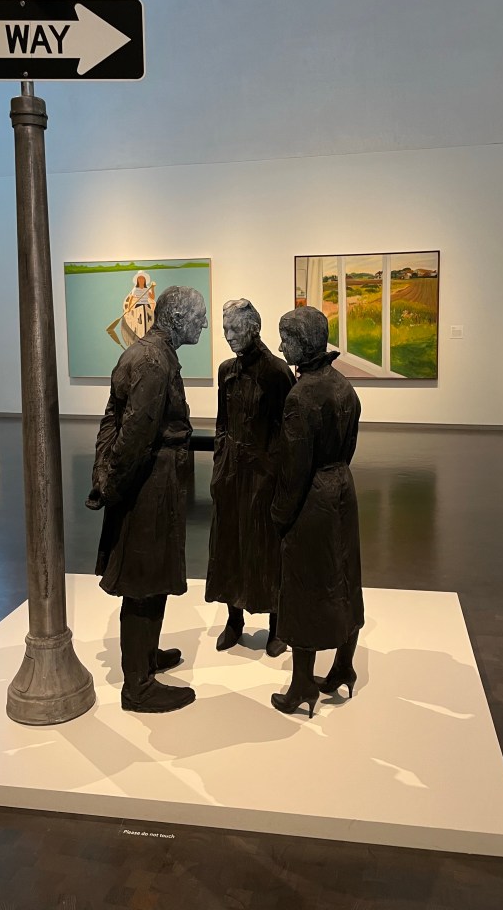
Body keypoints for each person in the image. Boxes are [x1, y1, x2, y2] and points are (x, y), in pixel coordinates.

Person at [87, 286, 208, 713]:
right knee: (143, 580)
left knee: (151, 574)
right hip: (148, 485)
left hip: (149, 481)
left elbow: (111, 419)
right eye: (198, 316)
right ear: (176, 318)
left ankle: (146, 657)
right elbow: (133, 436)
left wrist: (104, 476)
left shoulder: (146, 354)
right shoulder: (154, 363)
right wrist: (112, 484)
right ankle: (137, 686)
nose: (203, 324)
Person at [270, 306, 364, 718]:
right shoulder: (343, 385)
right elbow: (349, 445)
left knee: (304, 586)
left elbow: (294, 470)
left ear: (304, 343)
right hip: (342, 488)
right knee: (345, 576)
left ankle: (302, 684)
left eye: (286, 339)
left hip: (313, 499)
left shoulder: (300, 396)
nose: (280, 347)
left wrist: (279, 514)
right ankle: (343, 665)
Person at [205, 299, 295, 656]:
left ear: (253, 328)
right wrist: (220, 464)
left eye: (234, 328)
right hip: (231, 472)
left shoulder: (277, 373)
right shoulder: (226, 371)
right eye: (224, 328)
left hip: (264, 475)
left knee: (266, 548)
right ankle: (234, 619)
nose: (227, 336)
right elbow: (221, 423)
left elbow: (287, 432)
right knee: (229, 544)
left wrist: (275, 472)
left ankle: (277, 625)